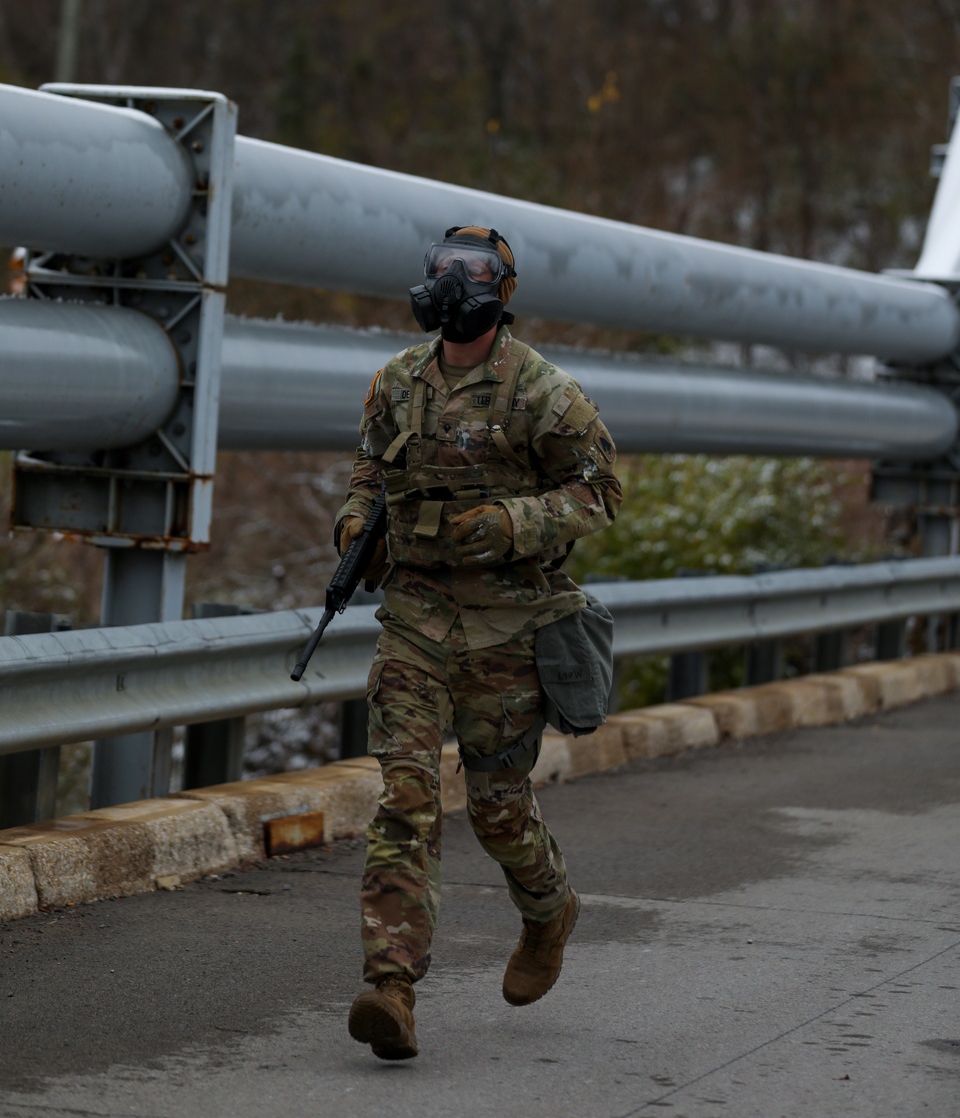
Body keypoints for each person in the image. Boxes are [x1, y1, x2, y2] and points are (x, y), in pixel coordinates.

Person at [335, 225, 622, 1060]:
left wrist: (514, 522)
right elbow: (368, 471)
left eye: (475, 272)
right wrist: (357, 525)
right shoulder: (396, 382)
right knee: (405, 799)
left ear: (503, 289)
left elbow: (600, 491)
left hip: (508, 630)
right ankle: (391, 987)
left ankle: (548, 909)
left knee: (497, 811)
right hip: (416, 624)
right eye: (443, 270)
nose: (455, 283)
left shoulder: (543, 392)